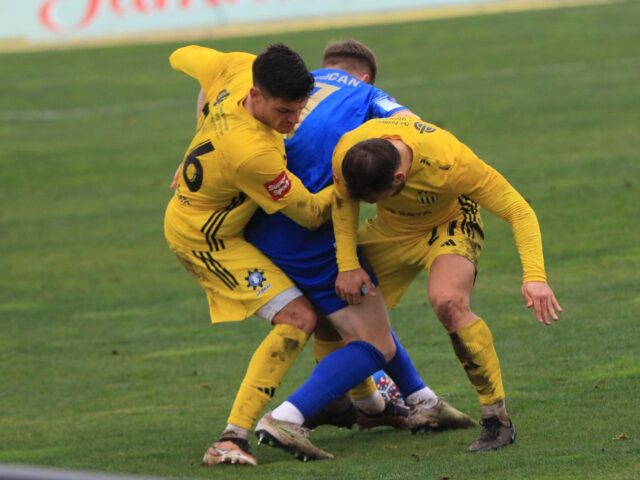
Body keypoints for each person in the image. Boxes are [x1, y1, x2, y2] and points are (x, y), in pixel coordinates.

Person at [250, 41, 476, 462]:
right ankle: (287, 418)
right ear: (366, 75)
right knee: (374, 341)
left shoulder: (296, 88)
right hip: (308, 231)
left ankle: (418, 400)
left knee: (360, 321)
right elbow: (417, 130)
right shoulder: (367, 95)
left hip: (256, 225)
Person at [326, 116, 563, 453]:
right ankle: (361, 403)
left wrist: (535, 277)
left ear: (400, 177)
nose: (367, 203)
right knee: (333, 302)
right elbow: (344, 202)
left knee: (448, 302)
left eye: (375, 197)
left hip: (450, 226)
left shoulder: (450, 162)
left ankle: (496, 417)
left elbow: (518, 209)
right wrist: (348, 265)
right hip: (391, 231)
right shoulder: (350, 150)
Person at [164, 43, 333, 467]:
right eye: (284, 112)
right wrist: (353, 178)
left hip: (224, 218)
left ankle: (358, 402)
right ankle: (231, 437)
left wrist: (200, 136)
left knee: (324, 298)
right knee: (299, 318)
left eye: (300, 108)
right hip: (205, 240)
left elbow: (181, 55)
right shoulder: (253, 153)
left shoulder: (237, 68)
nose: (293, 121)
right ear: (256, 95)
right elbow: (312, 214)